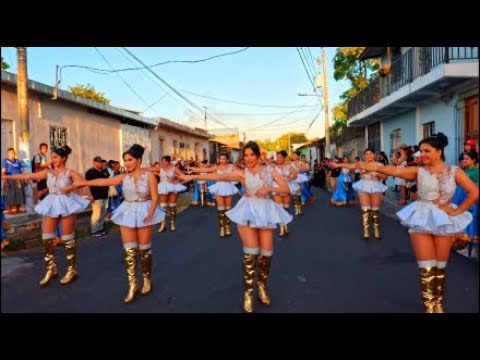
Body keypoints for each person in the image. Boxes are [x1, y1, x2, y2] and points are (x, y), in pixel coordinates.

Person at [357, 133, 478, 313]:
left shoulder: (454, 171)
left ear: (439, 152)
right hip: (421, 218)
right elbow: (393, 171)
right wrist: (366, 165)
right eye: (421, 151)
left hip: (443, 221)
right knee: (426, 268)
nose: (422, 154)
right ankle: (430, 307)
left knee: (439, 268)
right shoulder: (418, 171)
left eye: (427, 151)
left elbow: (474, 192)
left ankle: (438, 304)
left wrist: (457, 211)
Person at [179, 141, 292, 313]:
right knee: (251, 255)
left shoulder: (270, 170)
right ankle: (248, 294)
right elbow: (217, 177)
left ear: (258, 156)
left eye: (251, 155)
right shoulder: (241, 173)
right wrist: (193, 177)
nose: (248, 159)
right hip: (247, 211)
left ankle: (261, 287)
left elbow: (285, 188)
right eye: (245, 156)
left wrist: (270, 188)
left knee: (266, 254)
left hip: (266, 211)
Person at [74, 145, 165, 304]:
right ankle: (132, 285)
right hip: (128, 211)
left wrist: (150, 214)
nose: (127, 163)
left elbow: (155, 197)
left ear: (138, 160)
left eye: (130, 160)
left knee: (144, 251)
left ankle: (147, 280)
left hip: (144, 210)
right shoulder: (123, 177)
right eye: (125, 160)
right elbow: (104, 181)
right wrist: (83, 183)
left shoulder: (149, 176)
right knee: (129, 252)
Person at [1, 145, 91, 286]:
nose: (53, 160)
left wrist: (72, 187)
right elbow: (27, 175)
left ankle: (71, 269)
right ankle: (51, 269)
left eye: (55, 157)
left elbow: (83, 182)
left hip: (67, 203)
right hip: (51, 202)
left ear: (64, 158)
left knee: (68, 239)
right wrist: (5, 176)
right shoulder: (48, 172)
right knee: (47, 238)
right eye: (52, 157)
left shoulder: (70, 172)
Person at [330, 149, 388, 239]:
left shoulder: (379, 165)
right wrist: (338, 164)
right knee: (365, 211)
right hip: (363, 186)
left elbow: (385, 177)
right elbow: (350, 166)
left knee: (375, 211)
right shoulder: (361, 164)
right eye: (366, 154)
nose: (369, 156)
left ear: (374, 154)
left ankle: (376, 230)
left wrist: (377, 174)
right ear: (364, 156)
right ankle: (366, 231)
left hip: (376, 187)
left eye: (370, 154)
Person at [188, 154, 239, 237]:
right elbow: (204, 169)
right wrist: (192, 168)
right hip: (219, 188)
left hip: (229, 187)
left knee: (228, 209)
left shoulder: (232, 167)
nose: (222, 160)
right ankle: (222, 228)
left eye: (223, 159)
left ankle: (227, 227)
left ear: (227, 160)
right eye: (220, 159)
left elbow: (239, 174)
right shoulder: (217, 167)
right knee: (220, 210)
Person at [452, 150, 479, 258]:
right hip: (462, 200)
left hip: (472, 202)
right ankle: (465, 245)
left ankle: (473, 248)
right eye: (463, 158)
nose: (464, 161)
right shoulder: (465, 170)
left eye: (467, 159)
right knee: (464, 222)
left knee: (472, 222)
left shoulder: (477, 171)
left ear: (474, 160)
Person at [271, 150, 298, 237]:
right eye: (277, 157)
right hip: (277, 188)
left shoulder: (289, 165)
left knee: (286, 208)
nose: (278, 159)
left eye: (280, 157)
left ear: (284, 157)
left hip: (287, 187)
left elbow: (295, 175)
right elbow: (271, 177)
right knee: (280, 208)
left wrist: (288, 179)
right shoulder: (274, 167)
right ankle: (281, 228)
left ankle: (286, 225)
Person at [1, 148, 26, 214]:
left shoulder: (17, 161)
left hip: (18, 180)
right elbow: (3, 172)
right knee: (10, 194)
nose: (13, 154)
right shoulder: (5, 161)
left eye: (14, 152)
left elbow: (21, 171)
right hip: (10, 179)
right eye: (11, 153)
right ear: (8, 154)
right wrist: (5, 181)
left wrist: (24, 179)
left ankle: (18, 209)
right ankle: (9, 210)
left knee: (19, 194)